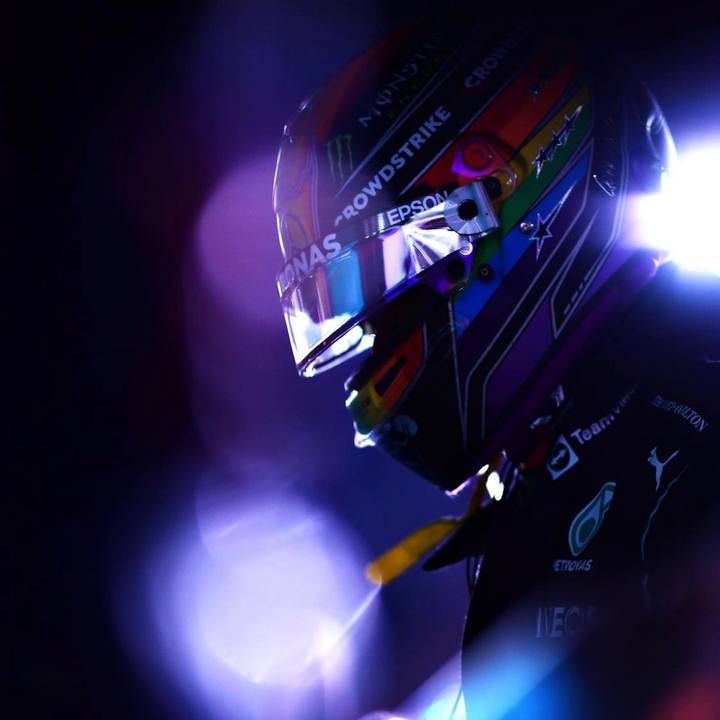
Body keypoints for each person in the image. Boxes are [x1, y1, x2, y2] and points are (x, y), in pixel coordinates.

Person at [273, 14, 720, 717]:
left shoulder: (691, 416)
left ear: (501, 204)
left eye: (388, 283)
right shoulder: (562, 456)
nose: (379, 336)